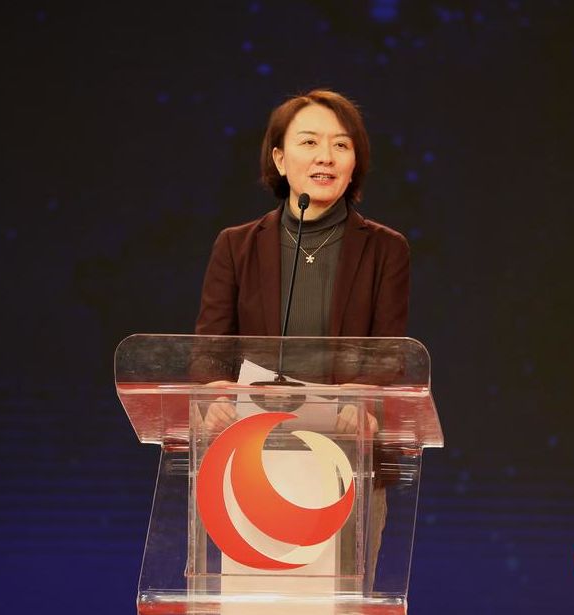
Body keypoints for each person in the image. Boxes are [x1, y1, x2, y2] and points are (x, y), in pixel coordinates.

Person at [193, 89, 409, 578]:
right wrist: (213, 395)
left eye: (341, 145)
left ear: (355, 163)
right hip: (252, 459)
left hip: (347, 458)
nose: (325, 156)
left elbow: (388, 356)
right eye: (309, 142)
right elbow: (209, 352)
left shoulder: (386, 249)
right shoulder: (236, 246)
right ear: (279, 158)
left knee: (340, 600)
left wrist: (360, 400)